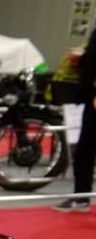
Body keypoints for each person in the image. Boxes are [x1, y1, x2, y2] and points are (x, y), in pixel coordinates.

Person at [57, 23, 96, 213]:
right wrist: (80, 60)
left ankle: (81, 197)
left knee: (85, 148)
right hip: (90, 96)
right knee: (84, 150)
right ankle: (80, 197)